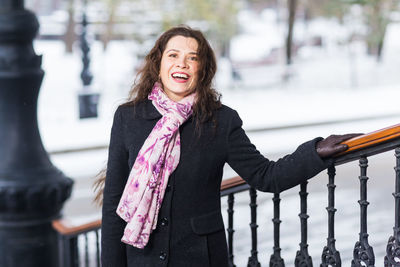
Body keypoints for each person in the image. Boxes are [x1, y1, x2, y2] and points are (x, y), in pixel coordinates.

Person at [98, 25, 359, 267]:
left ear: (203, 69)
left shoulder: (220, 121)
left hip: (201, 256)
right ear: (159, 63)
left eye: (193, 57)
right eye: (173, 55)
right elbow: (113, 205)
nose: (182, 64)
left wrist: (315, 152)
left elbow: (265, 175)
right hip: (143, 258)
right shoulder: (128, 118)